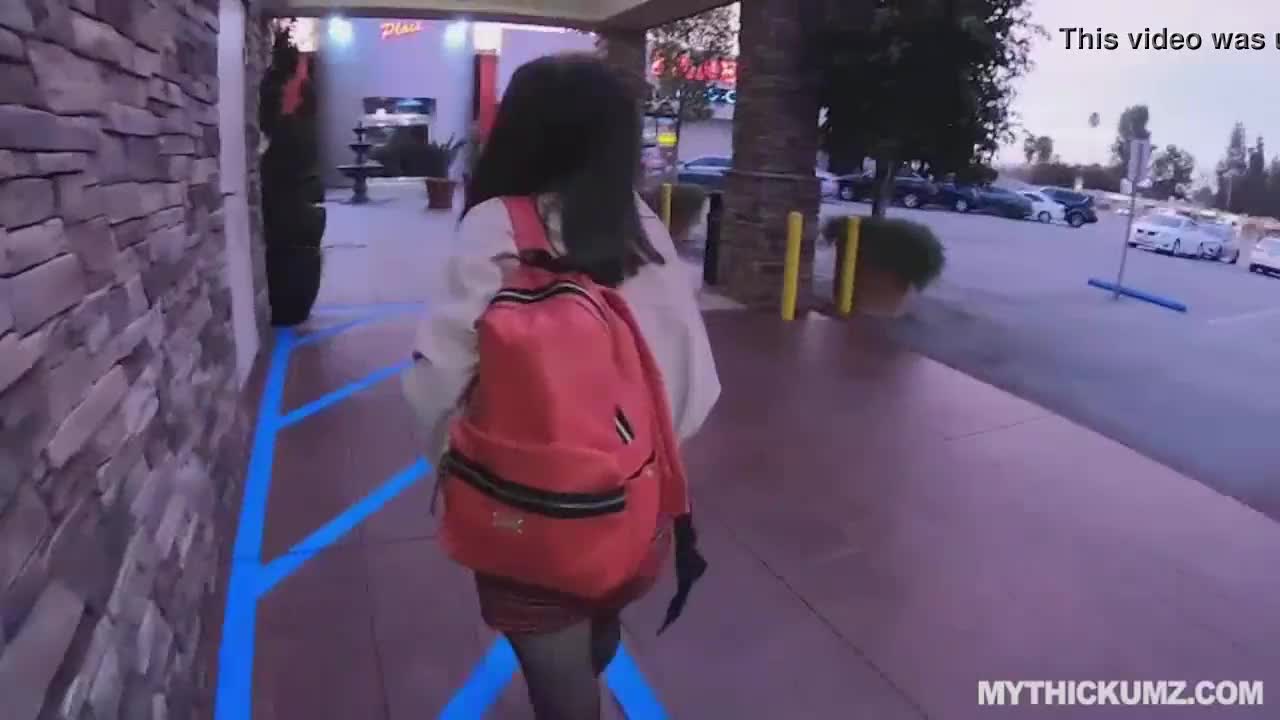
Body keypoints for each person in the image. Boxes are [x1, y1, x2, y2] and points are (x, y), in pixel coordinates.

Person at [402, 53, 720, 720]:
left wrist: (462, 471)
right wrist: (629, 464)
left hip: (525, 513)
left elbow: (437, 378)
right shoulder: (638, 222)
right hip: (632, 509)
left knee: (559, 684)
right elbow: (693, 375)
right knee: (597, 619)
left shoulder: (496, 224)